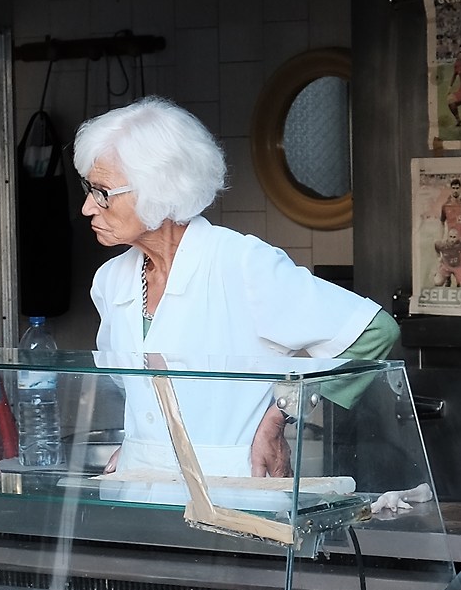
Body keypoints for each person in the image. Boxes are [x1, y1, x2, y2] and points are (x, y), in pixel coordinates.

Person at [74, 98, 398, 480]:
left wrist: (279, 417)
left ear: (157, 188)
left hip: (233, 489)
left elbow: (373, 332)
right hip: (139, 486)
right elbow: (130, 388)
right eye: (89, 188)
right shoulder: (110, 280)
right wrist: (141, 446)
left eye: (102, 192)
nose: (87, 208)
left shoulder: (242, 264)